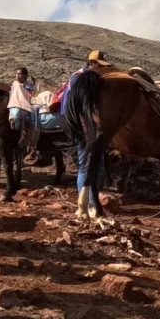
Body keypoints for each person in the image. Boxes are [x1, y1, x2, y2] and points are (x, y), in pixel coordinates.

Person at [68, 51, 114, 209]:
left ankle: (92, 199)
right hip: (83, 129)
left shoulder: (88, 79)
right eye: (99, 66)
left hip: (92, 129)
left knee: (97, 164)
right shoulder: (79, 79)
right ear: (92, 64)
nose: (101, 69)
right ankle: (87, 202)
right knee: (84, 165)